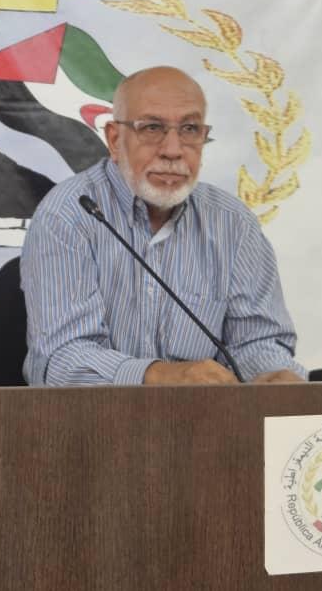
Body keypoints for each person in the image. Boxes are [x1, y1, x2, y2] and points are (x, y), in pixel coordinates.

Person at [21, 66, 305, 386]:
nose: (173, 150)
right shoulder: (68, 215)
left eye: (190, 129)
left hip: (209, 415)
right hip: (96, 416)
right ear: (114, 139)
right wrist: (159, 376)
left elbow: (255, 341)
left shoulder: (232, 223)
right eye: (152, 128)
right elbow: (62, 360)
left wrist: (272, 375)